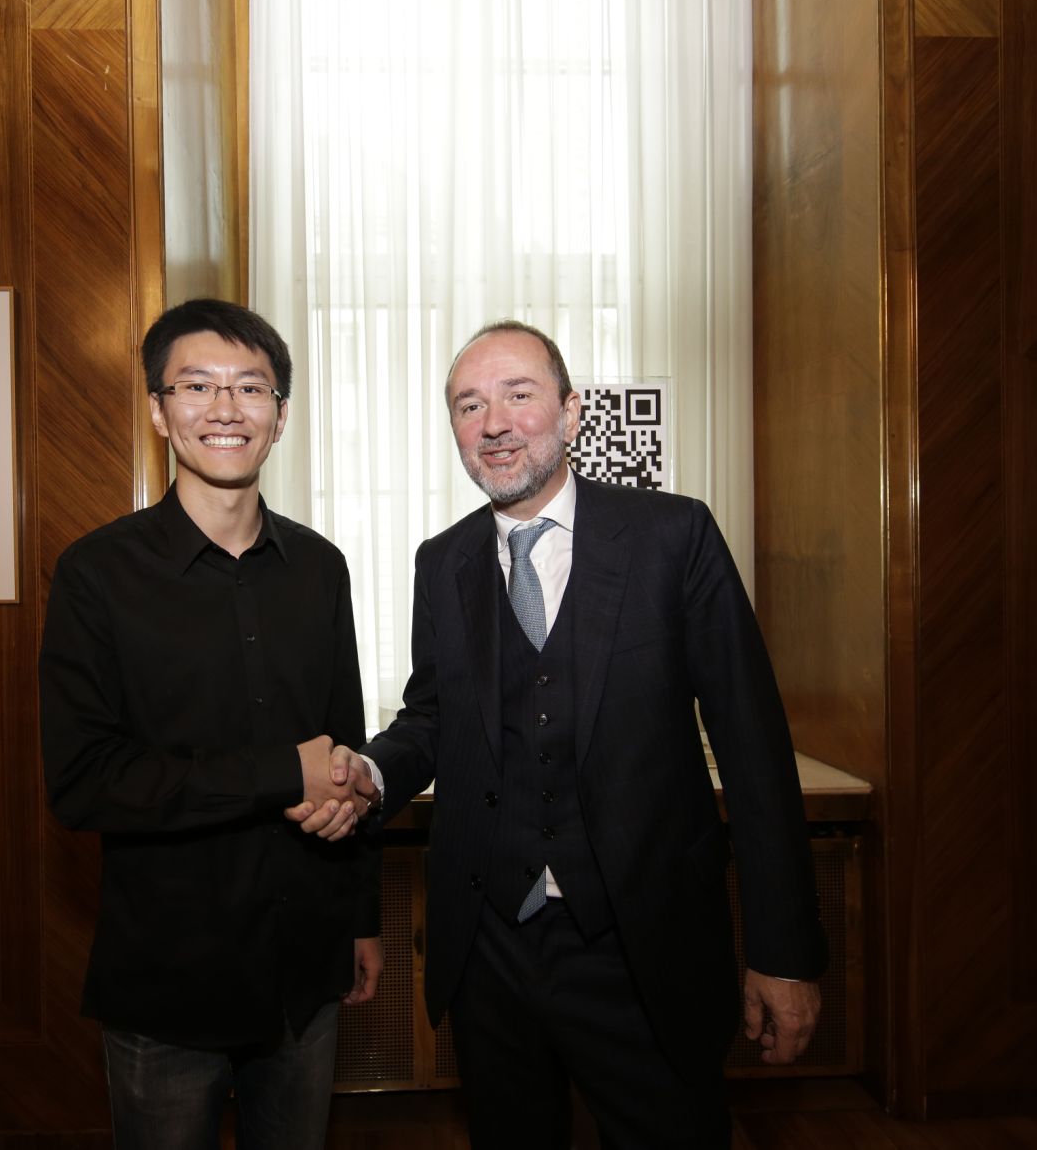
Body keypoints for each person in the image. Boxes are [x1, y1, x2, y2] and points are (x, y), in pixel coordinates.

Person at [295, 320, 826, 1148]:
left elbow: (755, 751)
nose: (494, 422)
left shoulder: (672, 536)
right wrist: (368, 769)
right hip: (492, 952)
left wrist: (783, 951)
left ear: (572, 412)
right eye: (469, 405)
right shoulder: (442, 562)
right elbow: (432, 718)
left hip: (642, 948)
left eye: (519, 395)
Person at [39, 298, 383, 1150]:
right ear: (158, 410)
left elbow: (345, 751)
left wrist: (360, 919)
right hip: (167, 985)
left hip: (303, 973)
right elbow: (85, 780)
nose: (225, 408)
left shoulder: (321, 566)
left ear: (281, 415)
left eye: (251, 388)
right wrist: (281, 774)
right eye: (197, 385)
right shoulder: (96, 573)